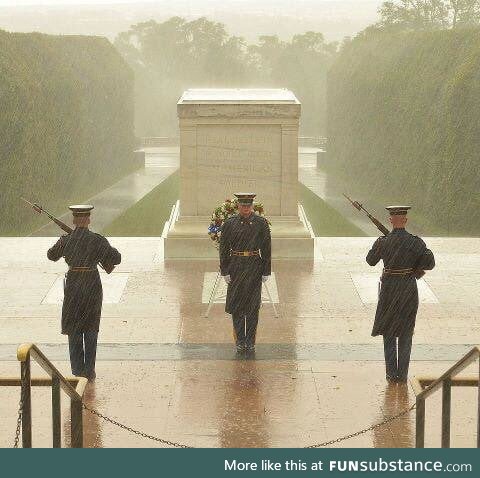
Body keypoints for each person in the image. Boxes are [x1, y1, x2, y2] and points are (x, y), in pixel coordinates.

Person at [47, 205, 121, 381]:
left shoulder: (67, 240)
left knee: (74, 328)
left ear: (73, 220)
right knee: (90, 327)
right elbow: (116, 258)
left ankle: (77, 370)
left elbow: (51, 255)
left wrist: (64, 241)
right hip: (92, 285)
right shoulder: (97, 240)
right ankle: (89, 370)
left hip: (73, 285)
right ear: (88, 220)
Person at [366, 206, 435, 383]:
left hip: (389, 289)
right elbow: (430, 263)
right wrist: (415, 262)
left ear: (390, 221)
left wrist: (380, 244)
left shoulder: (383, 241)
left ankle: (391, 374)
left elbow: (370, 261)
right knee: (405, 332)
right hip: (407, 289)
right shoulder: (415, 242)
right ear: (405, 220)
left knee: (388, 332)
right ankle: (402, 375)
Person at [219, 193, 271, 355]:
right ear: (238, 206)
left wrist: (266, 270)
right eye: (243, 206)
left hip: (254, 266)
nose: (246, 209)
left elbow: (267, 248)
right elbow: (224, 249)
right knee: (237, 306)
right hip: (236, 266)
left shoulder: (261, 224)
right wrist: (225, 270)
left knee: (253, 306)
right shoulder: (229, 224)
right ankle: (240, 340)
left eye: (248, 206)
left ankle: (250, 341)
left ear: (252, 207)